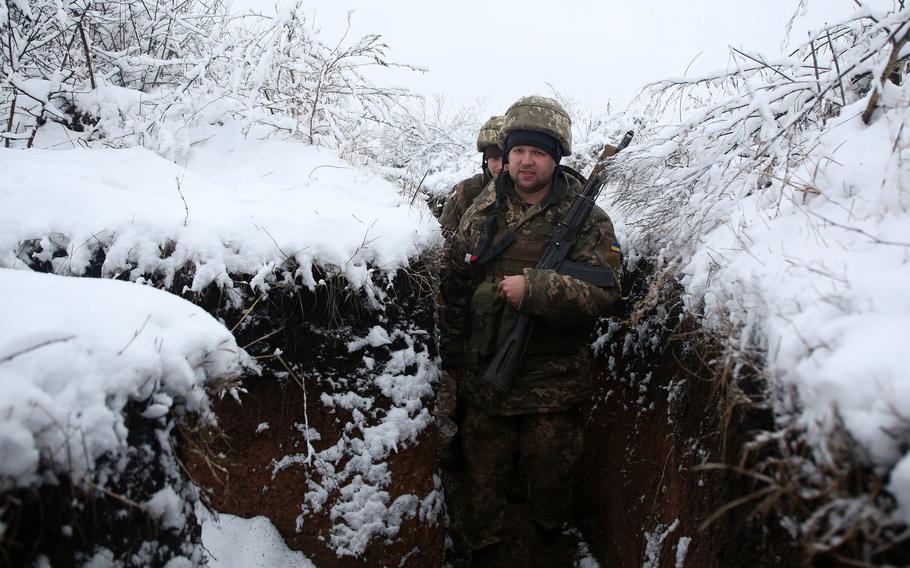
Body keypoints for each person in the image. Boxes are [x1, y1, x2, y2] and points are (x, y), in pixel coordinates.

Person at [439, 96, 622, 564]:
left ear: (555, 158)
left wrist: (537, 289)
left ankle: (549, 540)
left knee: (550, 477)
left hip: (553, 385)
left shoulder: (589, 221)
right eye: (518, 150)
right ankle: (483, 549)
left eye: (538, 153)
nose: (525, 160)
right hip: (486, 382)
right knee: (482, 477)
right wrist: (455, 352)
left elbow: (606, 292)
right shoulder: (481, 209)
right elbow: (455, 282)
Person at [439, 115, 506, 236]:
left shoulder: (534, 192)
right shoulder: (464, 192)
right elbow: (447, 241)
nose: (501, 166)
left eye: (507, 159)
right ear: (486, 160)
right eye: (495, 158)